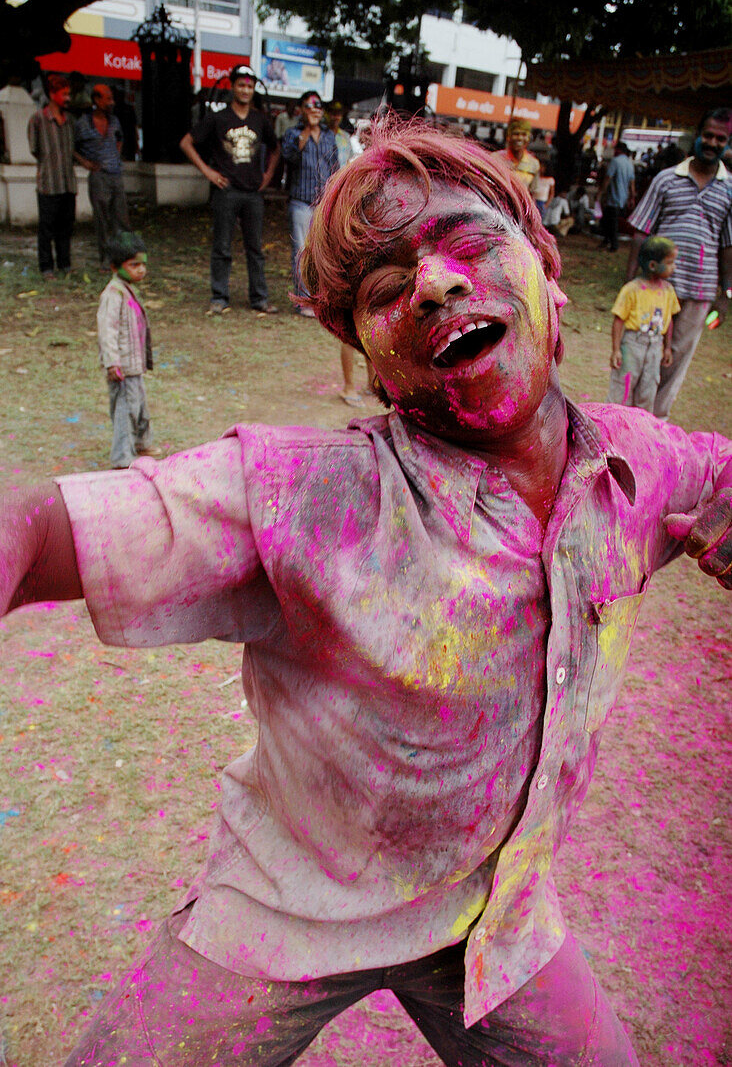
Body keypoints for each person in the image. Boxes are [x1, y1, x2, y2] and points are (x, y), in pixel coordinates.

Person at [3, 120, 732, 1067]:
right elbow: (41, 526)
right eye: (387, 288)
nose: (431, 283)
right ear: (366, 354)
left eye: (469, 245)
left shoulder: (645, 469)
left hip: (492, 921)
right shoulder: (302, 494)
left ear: (547, 268)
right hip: (287, 910)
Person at [626, 108, 732, 420]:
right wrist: (631, 280)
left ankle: (658, 424)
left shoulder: (729, 189)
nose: (712, 142)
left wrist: (726, 294)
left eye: (720, 138)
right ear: (697, 136)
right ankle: (632, 420)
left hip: (700, 290)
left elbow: (728, 246)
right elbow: (640, 233)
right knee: (645, 352)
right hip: (657, 287)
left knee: (677, 360)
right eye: (708, 135)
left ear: (727, 143)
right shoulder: (666, 179)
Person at [179, 64, 280, 317]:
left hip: (252, 192)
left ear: (254, 88)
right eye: (241, 85)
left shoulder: (260, 119)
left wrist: (267, 175)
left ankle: (259, 298)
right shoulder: (218, 117)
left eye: (249, 85)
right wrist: (208, 172)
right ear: (233, 86)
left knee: (255, 248)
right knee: (222, 246)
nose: (245, 90)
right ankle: (219, 297)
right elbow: (186, 142)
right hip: (227, 190)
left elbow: (276, 148)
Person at [97, 232, 161, 469]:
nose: (141, 270)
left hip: (134, 365)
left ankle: (142, 443)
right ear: (115, 267)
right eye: (134, 265)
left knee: (140, 406)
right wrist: (112, 362)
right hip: (122, 366)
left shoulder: (128, 290)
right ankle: (122, 456)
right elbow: (107, 331)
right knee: (126, 410)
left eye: (143, 264)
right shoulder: (112, 295)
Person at [281, 90, 339, 317]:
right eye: (309, 106)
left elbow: (335, 167)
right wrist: (305, 132)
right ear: (302, 110)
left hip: (323, 203)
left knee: (322, 252)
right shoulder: (293, 133)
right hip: (301, 202)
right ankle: (304, 301)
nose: (315, 110)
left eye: (318, 106)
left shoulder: (328, 136)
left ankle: (320, 298)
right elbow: (290, 158)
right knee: (301, 251)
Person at [608, 235, 679, 412]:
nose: (674, 267)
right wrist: (616, 350)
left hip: (655, 346)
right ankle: (618, 426)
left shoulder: (669, 291)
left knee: (648, 389)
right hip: (632, 346)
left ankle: (640, 429)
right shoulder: (632, 290)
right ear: (653, 265)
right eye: (669, 262)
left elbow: (669, 321)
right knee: (623, 387)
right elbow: (619, 320)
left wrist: (667, 347)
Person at [74, 84, 131, 269]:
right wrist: (85, 162)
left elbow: (120, 138)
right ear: (96, 100)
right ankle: (106, 259)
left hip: (116, 175)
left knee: (121, 218)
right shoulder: (83, 123)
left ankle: (123, 257)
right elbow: (72, 148)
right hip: (98, 176)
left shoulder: (114, 121)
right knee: (102, 218)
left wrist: (115, 155)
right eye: (107, 98)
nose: (111, 102)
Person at [27, 73, 77, 279]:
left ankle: (65, 263)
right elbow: (34, 148)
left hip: (67, 182)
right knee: (47, 229)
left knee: (65, 227)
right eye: (64, 94)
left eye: (69, 94)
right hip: (49, 182)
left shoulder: (69, 121)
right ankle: (46, 266)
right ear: (52, 94)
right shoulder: (38, 119)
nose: (68, 98)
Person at [598, 142, 636, 252]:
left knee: (611, 222)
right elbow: (632, 183)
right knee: (611, 220)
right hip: (623, 198)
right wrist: (632, 198)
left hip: (613, 197)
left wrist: (601, 193)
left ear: (619, 150)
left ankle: (613, 244)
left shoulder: (615, 161)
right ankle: (607, 240)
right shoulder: (630, 164)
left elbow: (607, 179)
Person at [492, 116, 540, 194]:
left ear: (528, 138)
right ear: (508, 137)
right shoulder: (495, 158)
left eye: (524, 134)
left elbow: (532, 193)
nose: (520, 138)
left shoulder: (534, 164)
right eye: (516, 134)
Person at [325, 100, 353, 169]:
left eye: (339, 114)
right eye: (333, 114)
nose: (336, 117)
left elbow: (350, 158)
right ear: (327, 114)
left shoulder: (345, 136)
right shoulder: (321, 134)